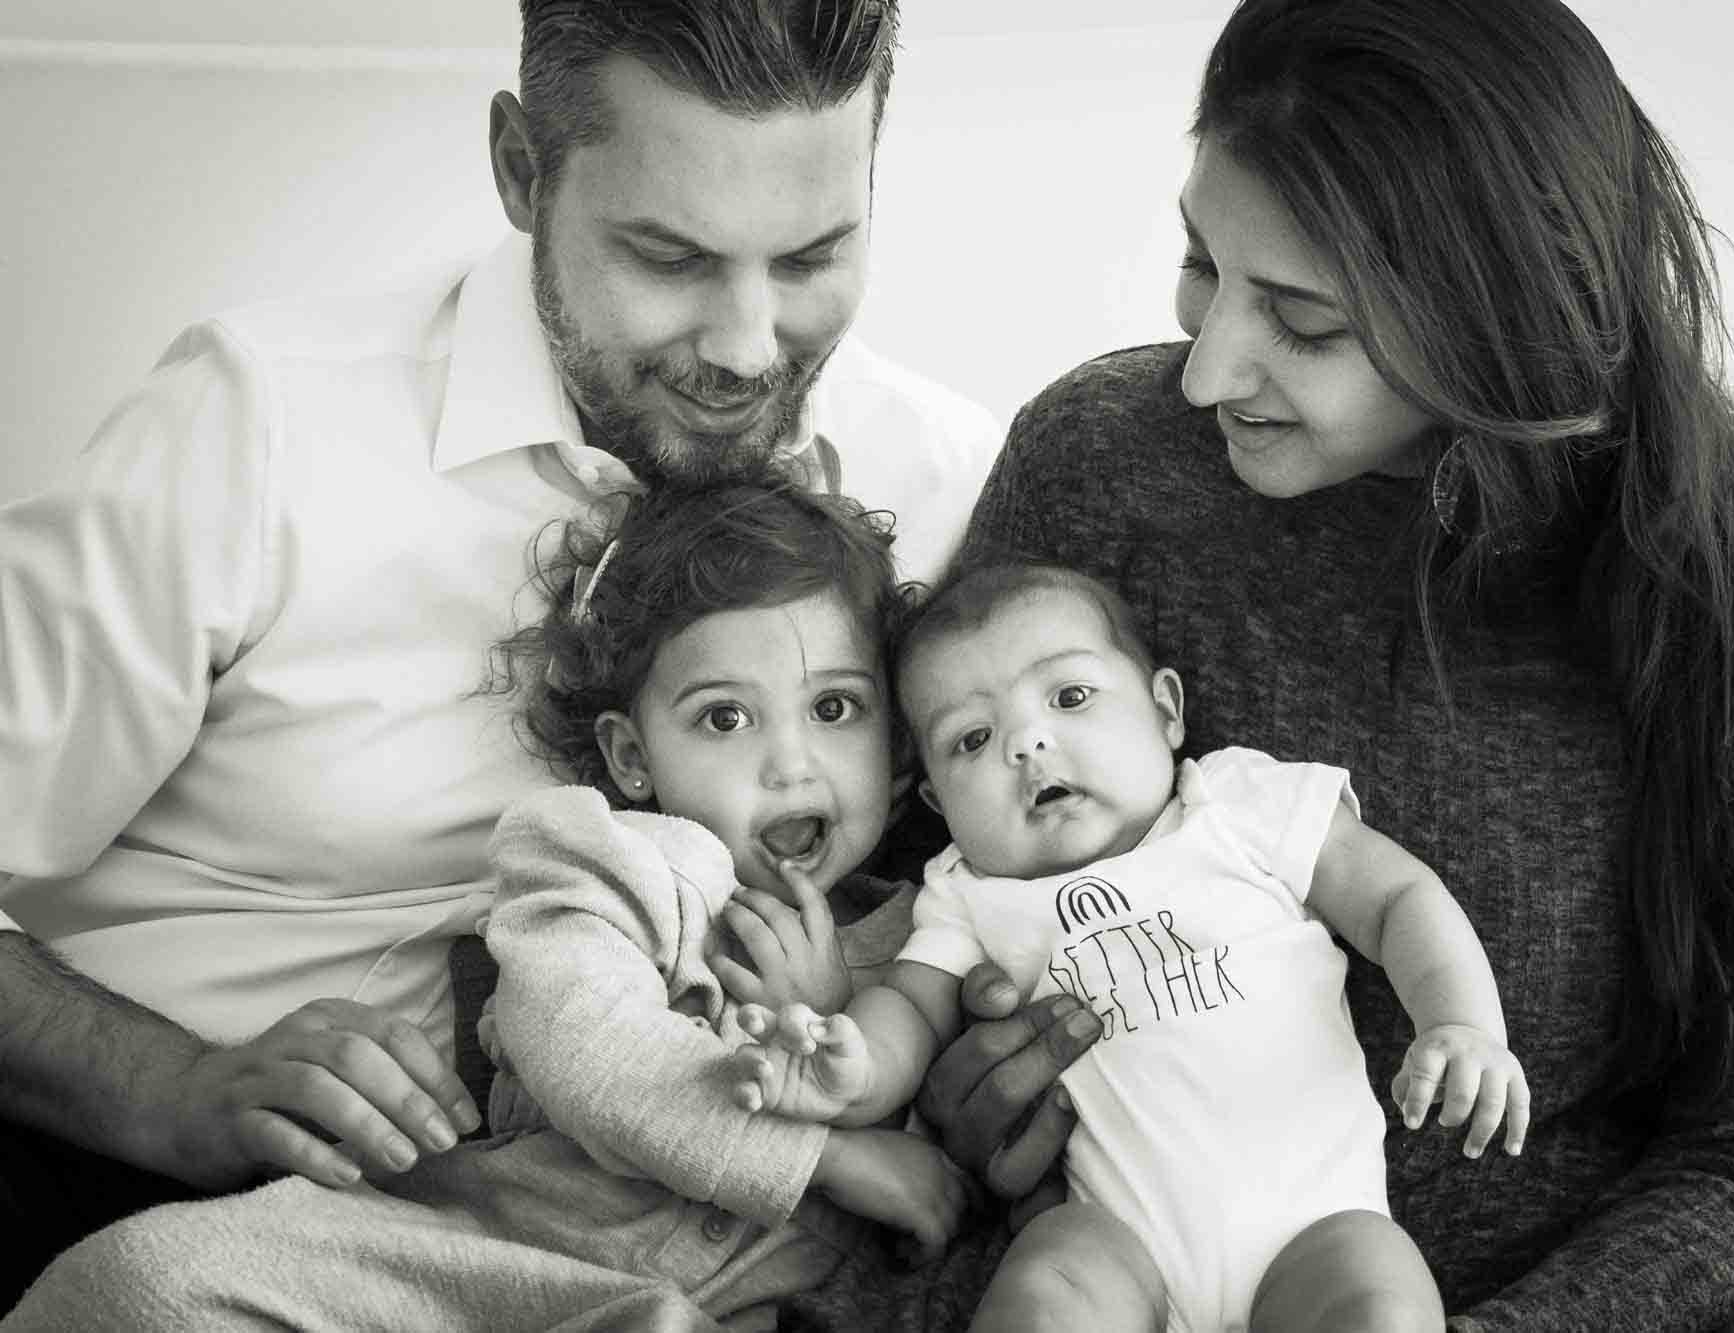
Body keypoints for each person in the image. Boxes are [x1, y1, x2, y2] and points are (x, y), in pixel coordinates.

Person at [785, 0, 1734, 1329]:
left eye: (1302, 324)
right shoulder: (1101, 467)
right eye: (1202, 265)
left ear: (1499, 315)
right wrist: (956, 1095)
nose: (1206, 370)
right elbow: (933, 885)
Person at [0, 0, 1001, 1306]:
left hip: (668, 1225)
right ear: (524, 170)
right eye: (669, 257)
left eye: (810, 257)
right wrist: (170, 1092)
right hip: (176, 1184)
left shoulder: (937, 483)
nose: (749, 346)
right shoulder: (260, 426)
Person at [5, 478, 984, 1329]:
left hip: (702, 1310)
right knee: (144, 1281)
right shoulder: (603, 866)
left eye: (835, 707)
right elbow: (586, 1047)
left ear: (897, 739)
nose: (789, 761)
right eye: (723, 717)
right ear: (632, 757)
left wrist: (846, 1027)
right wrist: (816, 1159)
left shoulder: (932, 930)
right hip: (482, 1260)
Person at [731, 560, 1531, 1332]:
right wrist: (856, 1065)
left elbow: (1397, 897)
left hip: (1315, 1221)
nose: (1025, 744)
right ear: (938, 801)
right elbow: (910, 1006)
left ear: (1167, 710)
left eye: (1070, 695)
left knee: (1380, 1291)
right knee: (1049, 1279)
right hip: (1118, 1247)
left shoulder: (1234, 806)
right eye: (972, 739)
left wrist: (1463, 1024)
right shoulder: (968, 890)